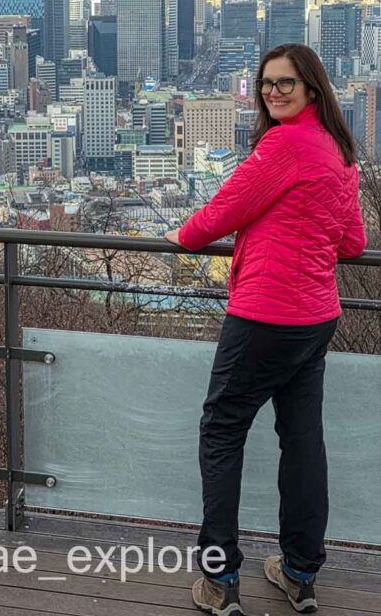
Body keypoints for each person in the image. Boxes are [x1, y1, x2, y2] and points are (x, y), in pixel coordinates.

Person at [165, 43, 367, 616]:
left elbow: (221, 214)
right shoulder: (338, 148)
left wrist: (179, 239)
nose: (272, 92)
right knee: (302, 441)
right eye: (266, 83)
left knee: (222, 432)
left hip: (264, 315)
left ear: (311, 89)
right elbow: (352, 242)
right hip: (316, 316)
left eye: (285, 84)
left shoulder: (284, 145)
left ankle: (220, 576)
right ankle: (301, 572)